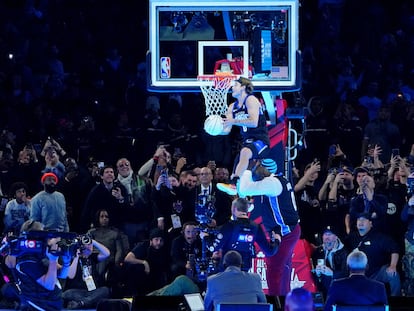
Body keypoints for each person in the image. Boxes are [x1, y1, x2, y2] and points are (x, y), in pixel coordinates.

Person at [238, 158, 300, 296]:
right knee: (283, 268)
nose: (255, 169)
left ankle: (276, 303)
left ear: (263, 169)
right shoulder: (278, 180)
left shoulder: (271, 183)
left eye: (257, 166)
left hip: (285, 232)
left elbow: (243, 189)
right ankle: (284, 301)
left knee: (273, 269)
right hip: (288, 230)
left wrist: (247, 169)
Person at [216, 77, 270, 196]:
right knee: (237, 170)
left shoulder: (251, 100)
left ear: (243, 87)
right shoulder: (232, 107)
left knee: (245, 153)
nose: (232, 87)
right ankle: (242, 197)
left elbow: (253, 122)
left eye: (235, 85)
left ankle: (234, 183)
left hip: (261, 141)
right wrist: (215, 129)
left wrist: (233, 121)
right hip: (247, 143)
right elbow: (227, 130)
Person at [4, 220, 72, 311]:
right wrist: (53, 260)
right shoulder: (27, 261)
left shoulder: (42, 254)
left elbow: (62, 274)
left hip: (52, 304)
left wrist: (67, 262)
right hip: (42, 306)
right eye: (43, 232)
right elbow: (49, 285)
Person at [210, 198, 280, 272]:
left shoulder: (229, 226)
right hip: (244, 271)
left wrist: (205, 236)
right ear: (247, 210)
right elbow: (270, 251)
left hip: (226, 270)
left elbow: (213, 248)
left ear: (234, 208)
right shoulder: (256, 227)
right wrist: (277, 240)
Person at [345, 212, 401, 296]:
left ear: (371, 223)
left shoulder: (379, 237)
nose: (361, 221)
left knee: (393, 275)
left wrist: (393, 265)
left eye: (364, 219)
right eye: (359, 220)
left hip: (376, 273)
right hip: (357, 274)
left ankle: (396, 302)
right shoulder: (352, 237)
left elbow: (394, 248)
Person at [324, 249, 388, 311]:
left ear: (347, 267)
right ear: (367, 267)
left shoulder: (336, 285)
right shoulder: (379, 287)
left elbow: (327, 309)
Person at [62, 235, 111, 309]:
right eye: (86, 244)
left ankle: (81, 303)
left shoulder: (92, 258)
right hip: (76, 291)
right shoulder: (72, 257)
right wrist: (77, 256)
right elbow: (70, 275)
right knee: (67, 294)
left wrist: (92, 241)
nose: (89, 247)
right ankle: (86, 303)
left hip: (92, 292)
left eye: (90, 245)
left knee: (105, 290)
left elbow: (107, 253)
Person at [116, 157, 154, 245]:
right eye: (121, 165)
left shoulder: (143, 180)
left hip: (144, 221)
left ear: (131, 166)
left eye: (127, 164)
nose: (124, 167)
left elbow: (151, 199)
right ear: (117, 169)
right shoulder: (115, 185)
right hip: (127, 223)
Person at [123, 228, 170, 295]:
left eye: (161, 240)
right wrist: (144, 262)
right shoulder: (143, 245)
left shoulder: (164, 249)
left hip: (154, 275)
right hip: (139, 274)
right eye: (156, 240)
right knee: (139, 268)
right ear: (151, 240)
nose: (159, 242)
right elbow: (127, 258)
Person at [81, 165, 129, 231]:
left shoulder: (120, 188)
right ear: (102, 176)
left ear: (114, 176)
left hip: (117, 225)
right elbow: (88, 208)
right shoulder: (96, 190)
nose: (109, 174)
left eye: (111, 172)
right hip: (99, 225)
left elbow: (127, 206)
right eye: (107, 172)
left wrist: (120, 198)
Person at [311, 228, 348, 299]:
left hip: (339, 289)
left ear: (336, 237)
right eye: (325, 234)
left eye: (329, 234)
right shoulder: (318, 251)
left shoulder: (344, 252)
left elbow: (346, 273)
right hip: (321, 290)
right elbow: (312, 271)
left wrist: (332, 273)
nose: (327, 237)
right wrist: (316, 272)